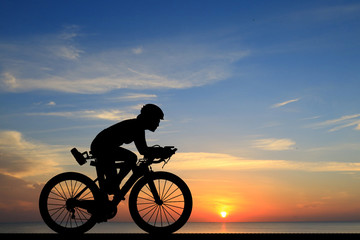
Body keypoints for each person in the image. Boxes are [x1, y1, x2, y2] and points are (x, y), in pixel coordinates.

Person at [90, 103, 164, 197]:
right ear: (150, 118)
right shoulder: (137, 127)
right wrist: (161, 152)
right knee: (132, 158)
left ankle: (113, 185)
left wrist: (159, 152)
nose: (158, 124)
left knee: (130, 160)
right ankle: (114, 184)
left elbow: (144, 149)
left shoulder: (137, 125)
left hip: (102, 145)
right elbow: (143, 150)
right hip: (102, 146)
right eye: (157, 120)